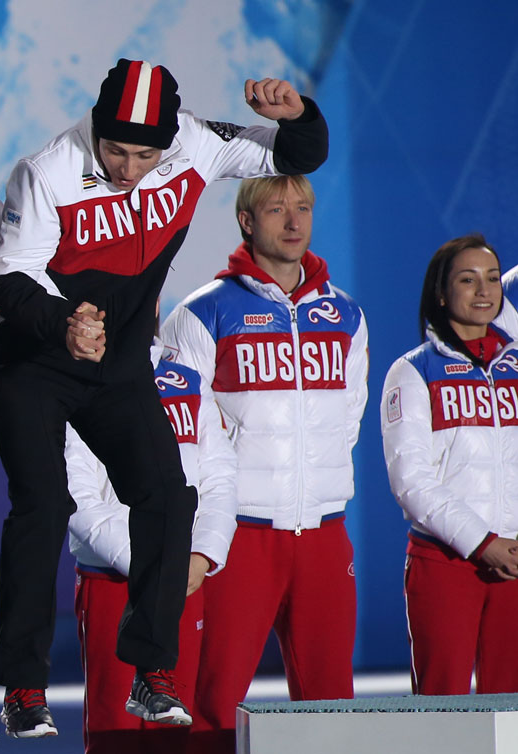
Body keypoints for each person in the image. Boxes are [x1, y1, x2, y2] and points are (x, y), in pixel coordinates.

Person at [0, 57, 328, 735]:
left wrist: (299, 115)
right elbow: (6, 273)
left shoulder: (194, 141)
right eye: (116, 150)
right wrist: (63, 322)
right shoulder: (47, 169)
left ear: (170, 140)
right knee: (45, 504)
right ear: (95, 130)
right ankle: (24, 685)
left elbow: (295, 153)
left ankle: (151, 672)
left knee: (168, 495)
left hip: (117, 367)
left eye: (146, 154)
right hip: (34, 362)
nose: (129, 168)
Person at [160, 174, 367, 754]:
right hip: (239, 538)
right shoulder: (204, 312)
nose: (294, 222)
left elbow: (347, 418)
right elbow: (182, 431)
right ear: (247, 222)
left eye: (303, 208)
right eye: (277, 209)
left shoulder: (347, 315)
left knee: (331, 704)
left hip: (324, 536)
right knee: (212, 700)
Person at [66, 327, 237, 754]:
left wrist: (202, 555)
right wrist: (156, 562)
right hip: (114, 581)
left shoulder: (189, 380)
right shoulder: (69, 379)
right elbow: (75, 494)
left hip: (185, 577)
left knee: (174, 731)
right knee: (114, 730)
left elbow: (220, 477)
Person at [382, 235, 518, 696]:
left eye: (493, 278)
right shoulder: (413, 371)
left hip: (516, 564)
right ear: (442, 293)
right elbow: (411, 482)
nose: (484, 290)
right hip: (446, 563)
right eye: (468, 279)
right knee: (443, 711)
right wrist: (484, 543)